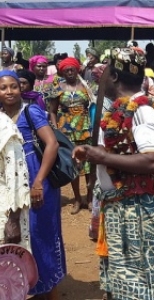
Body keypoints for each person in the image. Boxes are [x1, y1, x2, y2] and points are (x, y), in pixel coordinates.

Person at [73, 47, 154, 300]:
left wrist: (103, 157)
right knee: (126, 277)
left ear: (115, 77)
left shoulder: (142, 110)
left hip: (137, 208)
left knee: (144, 276)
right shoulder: (120, 109)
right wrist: (92, 152)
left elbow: (153, 160)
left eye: (105, 71)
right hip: (120, 205)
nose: (100, 77)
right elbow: (121, 150)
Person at [0, 70, 66, 300]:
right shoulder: (0, 118)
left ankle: (50, 290)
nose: (9, 91)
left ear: (21, 89)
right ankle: (29, 287)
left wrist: (38, 182)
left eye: (14, 86)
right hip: (11, 184)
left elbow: (52, 144)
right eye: (3, 87)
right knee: (17, 236)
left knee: (41, 234)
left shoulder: (31, 111)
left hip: (39, 179)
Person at [50, 57, 93, 214]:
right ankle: (76, 198)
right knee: (73, 164)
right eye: (66, 70)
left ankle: (89, 197)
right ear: (62, 71)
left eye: (72, 69)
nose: (69, 72)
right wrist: (56, 129)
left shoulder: (86, 86)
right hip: (66, 130)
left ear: (77, 70)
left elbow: (96, 104)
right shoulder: (58, 88)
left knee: (88, 166)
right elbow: (52, 111)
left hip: (85, 128)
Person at [0, 111, 30, 249]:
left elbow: (17, 174)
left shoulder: (4, 127)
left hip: (4, 211)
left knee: (8, 267)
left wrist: (13, 220)